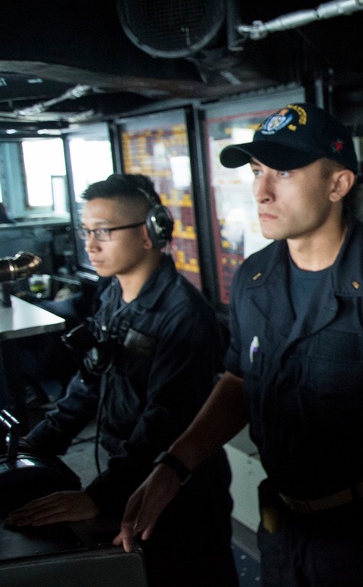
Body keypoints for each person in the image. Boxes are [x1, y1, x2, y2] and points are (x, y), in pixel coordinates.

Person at [114, 103, 363, 586]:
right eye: (258, 171)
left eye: (282, 171)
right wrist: (174, 466)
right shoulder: (253, 279)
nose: (260, 191)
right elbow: (239, 381)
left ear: (338, 184)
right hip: (281, 531)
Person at [4, 173, 237, 587]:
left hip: (179, 492)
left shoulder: (184, 316)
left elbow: (164, 421)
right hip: (126, 476)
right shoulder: (112, 295)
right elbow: (90, 380)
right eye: (87, 231)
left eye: (104, 232)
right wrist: (31, 446)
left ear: (150, 233)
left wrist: (98, 496)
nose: (90, 245)